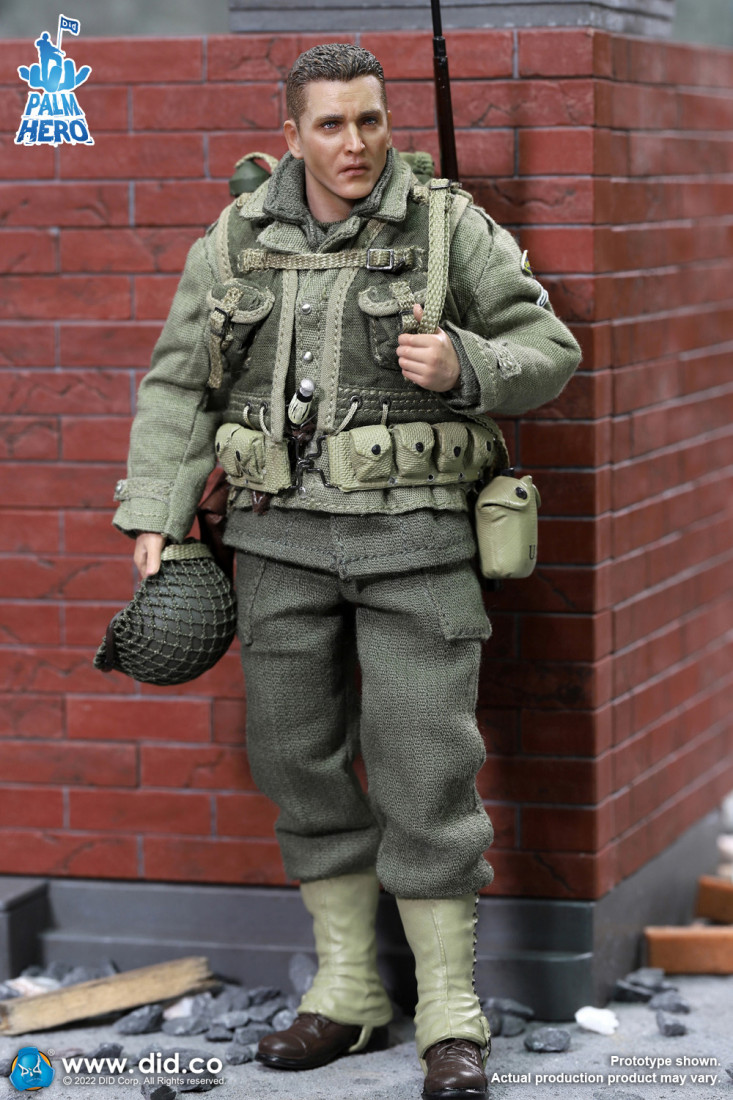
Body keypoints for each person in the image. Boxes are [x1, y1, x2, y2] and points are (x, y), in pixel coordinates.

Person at [113, 43, 581, 1100]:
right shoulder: (237, 239)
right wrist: (155, 512)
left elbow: (547, 347)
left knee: (426, 767)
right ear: (291, 135)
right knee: (295, 761)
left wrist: (467, 363)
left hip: (416, 543)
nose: (354, 143)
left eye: (369, 120)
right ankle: (350, 986)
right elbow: (180, 384)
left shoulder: (446, 228)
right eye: (329, 124)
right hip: (276, 542)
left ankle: (448, 1008)